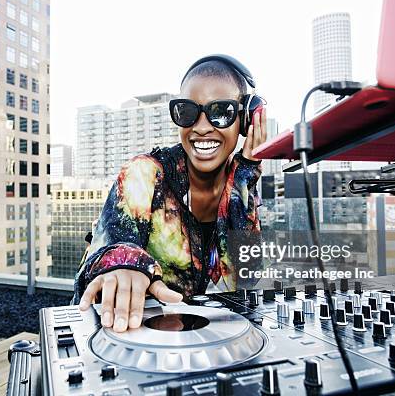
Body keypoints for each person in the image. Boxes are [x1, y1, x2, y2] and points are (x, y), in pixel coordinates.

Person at [74, 55, 267, 332]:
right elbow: (110, 248)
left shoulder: (239, 183)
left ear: (246, 120)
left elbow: (248, 281)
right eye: (187, 111)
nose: (201, 127)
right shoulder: (144, 173)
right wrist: (124, 263)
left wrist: (245, 172)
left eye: (221, 112)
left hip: (203, 345)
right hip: (124, 341)